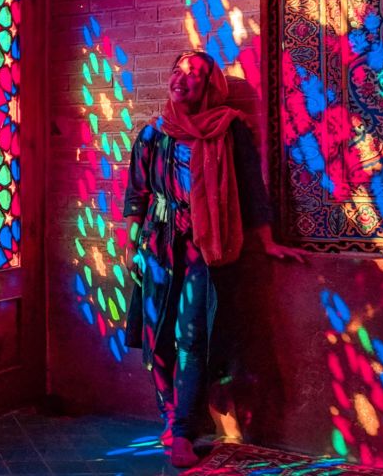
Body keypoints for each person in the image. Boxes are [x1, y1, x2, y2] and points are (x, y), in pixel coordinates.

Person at [122, 51, 301, 468]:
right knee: (157, 334)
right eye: (177, 72)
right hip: (158, 246)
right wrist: (131, 246)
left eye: (195, 75)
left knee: (191, 335)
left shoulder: (229, 131)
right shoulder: (153, 134)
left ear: (209, 87)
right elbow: (137, 196)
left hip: (208, 248)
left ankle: (183, 430)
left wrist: (268, 242)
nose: (182, 80)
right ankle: (168, 415)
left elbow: (253, 192)